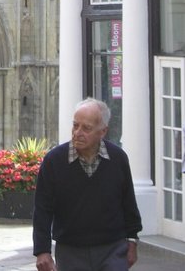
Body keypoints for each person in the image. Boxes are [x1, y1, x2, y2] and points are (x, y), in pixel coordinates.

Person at [33, 98, 142, 271]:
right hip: (71, 250)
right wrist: (42, 250)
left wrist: (132, 241)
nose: (78, 132)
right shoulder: (54, 161)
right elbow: (42, 209)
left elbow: (128, 202)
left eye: (86, 128)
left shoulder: (118, 158)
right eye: (75, 125)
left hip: (113, 248)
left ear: (103, 131)